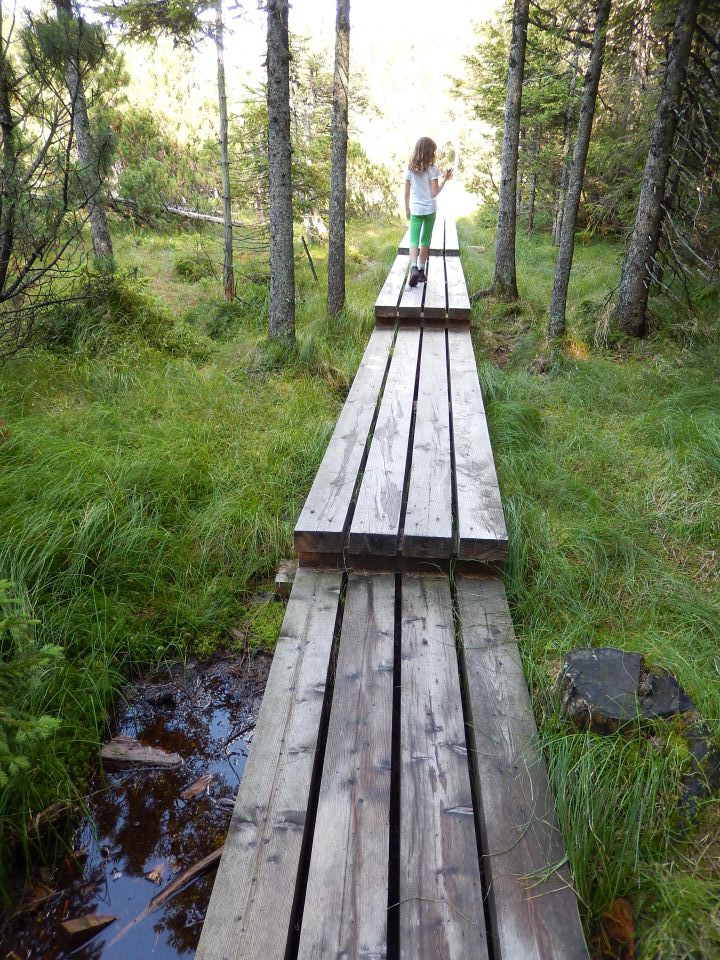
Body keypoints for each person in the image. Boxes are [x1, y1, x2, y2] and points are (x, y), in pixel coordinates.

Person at [404, 137, 452, 287]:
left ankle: (413, 269)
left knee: (413, 240)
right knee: (425, 240)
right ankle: (421, 270)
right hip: (430, 209)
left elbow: (406, 193)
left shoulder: (409, 169)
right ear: (429, 152)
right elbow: (434, 193)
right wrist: (445, 180)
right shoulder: (433, 170)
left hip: (416, 209)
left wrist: (407, 208)